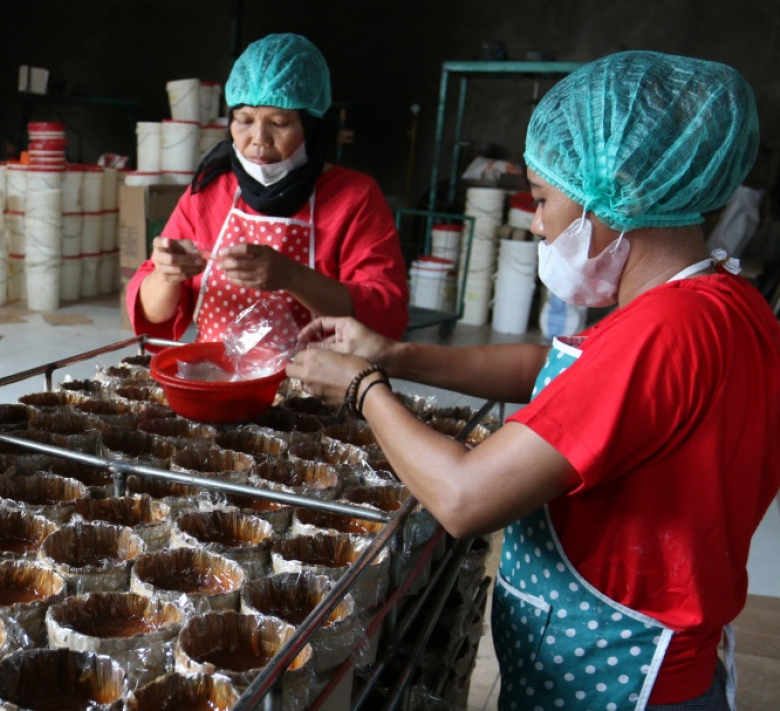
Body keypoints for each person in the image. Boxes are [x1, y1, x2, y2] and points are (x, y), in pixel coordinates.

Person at [287, 51, 780, 710]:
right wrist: (394, 353)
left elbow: (463, 496)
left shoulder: (665, 332)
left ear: (621, 193)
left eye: (543, 198)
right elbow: (557, 374)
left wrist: (362, 389)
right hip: (636, 663)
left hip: (618, 681)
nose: (537, 222)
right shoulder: (720, 300)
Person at [125, 33, 408, 345]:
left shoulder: (355, 197)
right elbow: (152, 315)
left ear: (312, 127)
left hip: (318, 373)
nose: (259, 139)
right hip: (215, 369)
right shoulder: (210, 191)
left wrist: (293, 277)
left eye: (280, 123)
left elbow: (385, 315)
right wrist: (166, 275)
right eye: (244, 120)